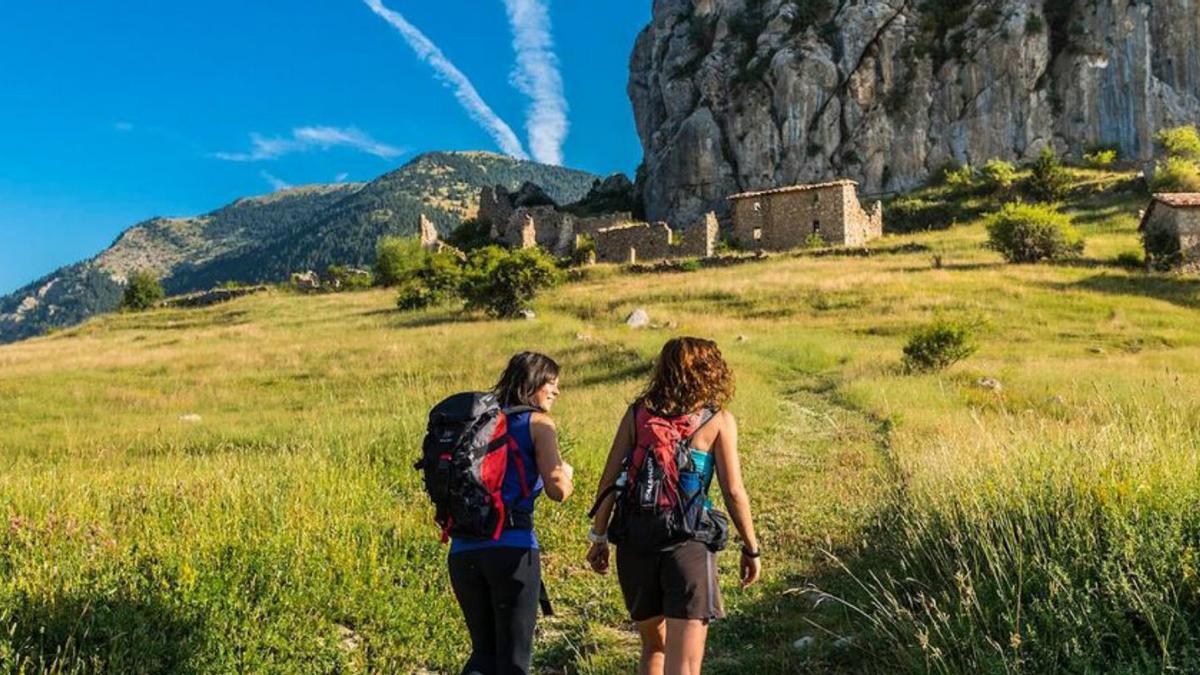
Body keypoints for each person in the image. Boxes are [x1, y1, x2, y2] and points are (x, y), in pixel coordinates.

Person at [585, 337, 761, 675]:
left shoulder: (638, 413)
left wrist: (599, 537)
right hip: (688, 546)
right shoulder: (718, 421)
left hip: (635, 541)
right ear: (711, 371)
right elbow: (734, 492)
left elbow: (608, 483)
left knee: (653, 648)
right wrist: (751, 548)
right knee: (685, 665)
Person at [448, 352, 574, 675]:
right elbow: (557, 490)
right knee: (514, 660)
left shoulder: (477, 423)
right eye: (552, 384)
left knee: (483, 656)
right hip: (513, 551)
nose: (556, 392)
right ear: (533, 383)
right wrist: (567, 474)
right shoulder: (539, 424)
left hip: (463, 551)